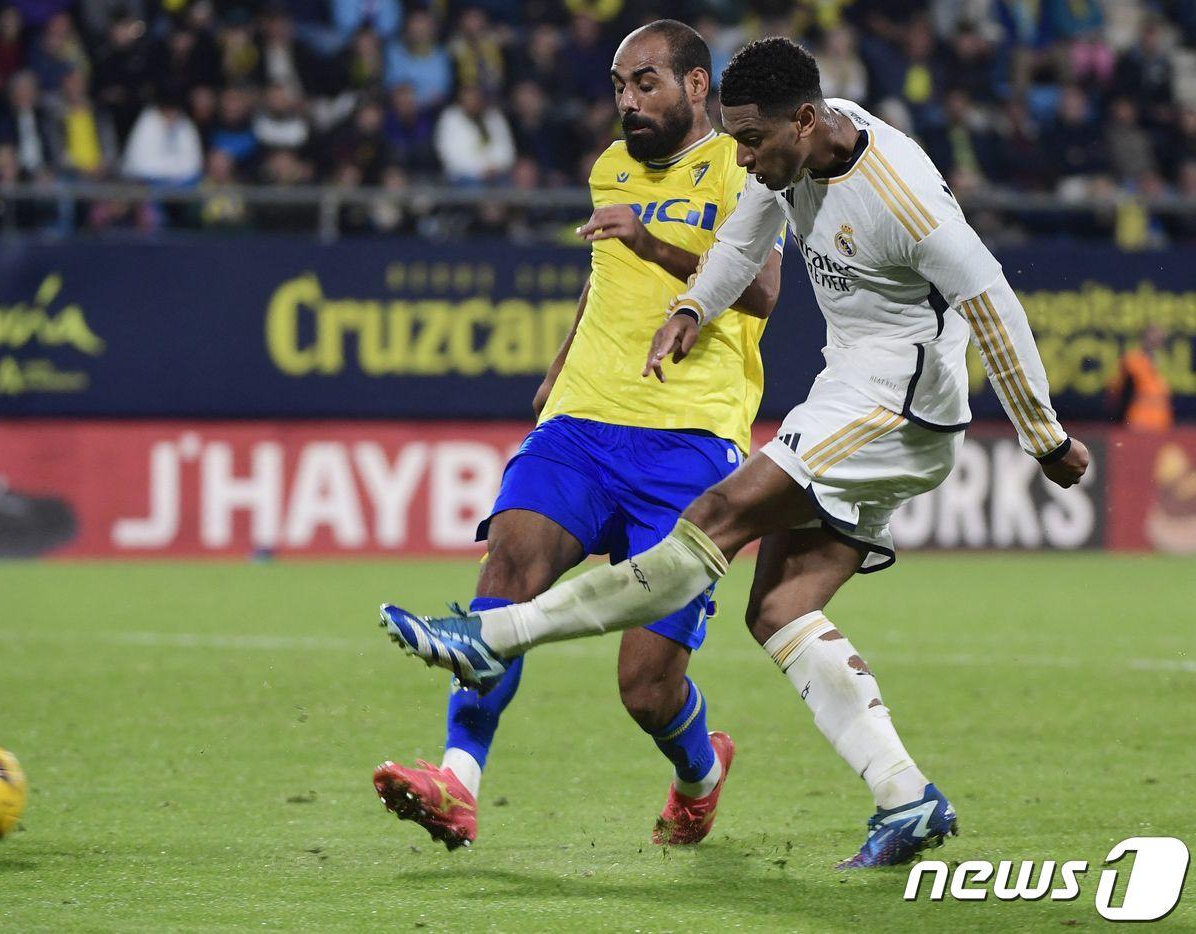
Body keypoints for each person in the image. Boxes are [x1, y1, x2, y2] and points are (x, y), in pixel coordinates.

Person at [379, 37, 1090, 869]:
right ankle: (908, 798)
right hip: (850, 387)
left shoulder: (905, 196)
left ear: (806, 118)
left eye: (752, 141)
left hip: (897, 403)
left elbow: (992, 302)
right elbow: (740, 247)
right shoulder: (781, 163)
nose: (741, 157)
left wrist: (1043, 437)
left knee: (713, 521)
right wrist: (689, 308)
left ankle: (496, 637)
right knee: (778, 609)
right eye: (734, 138)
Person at [372, 20, 783, 852]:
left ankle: (699, 778)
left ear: (697, 86)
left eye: (646, 84)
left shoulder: (746, 166)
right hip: (585, 421)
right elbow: (608, 280)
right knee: (509, 565)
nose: (627, 101)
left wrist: (650, 239)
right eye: (619, 85)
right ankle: (458, 781)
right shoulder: (610, 165)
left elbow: (763, 296)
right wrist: (564, 359)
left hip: (692, 439)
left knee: (645, 688)